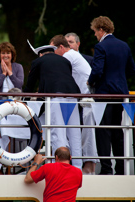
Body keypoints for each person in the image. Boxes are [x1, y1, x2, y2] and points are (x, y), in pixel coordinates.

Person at [87, 16, 135, 175]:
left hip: (104, 94)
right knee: (117, 131)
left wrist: (90, 82)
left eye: (95, 31)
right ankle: (121, 169)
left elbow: (97, 70)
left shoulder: (101, 46)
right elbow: (131, 70)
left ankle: (106, 169)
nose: (95, 35)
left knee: (103, 131)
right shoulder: (124, 45)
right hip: (121, 94)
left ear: (101, 30)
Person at [24, 43, 82, 169]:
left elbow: (30, 85)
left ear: (40, 54)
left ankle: (60, 168)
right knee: (74, 133)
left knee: (58, 133)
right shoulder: (65, 60)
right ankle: (78, 167)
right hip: (73, 96)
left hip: (55, 96)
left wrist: (24, 101)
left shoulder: (38, 62)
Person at [50, 34, 98, 174]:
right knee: (76, 134)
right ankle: (77, 165)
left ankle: (86, 167)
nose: (53, 54)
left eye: (54, 50)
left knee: (84, 134)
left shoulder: (68, 56)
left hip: (87, 100)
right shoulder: (73, 55)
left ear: (60, 47)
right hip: (83, 99)